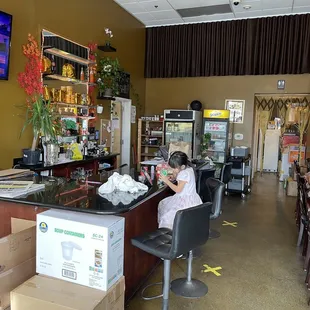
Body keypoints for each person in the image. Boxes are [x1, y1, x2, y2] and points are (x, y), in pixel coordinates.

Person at [158, 151, 202, 229]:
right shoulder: (189, 169)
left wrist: (166, 181)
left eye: (174, 168)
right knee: (164, 205)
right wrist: (174, 177)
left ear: (182, 167)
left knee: (166, 215)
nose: (173, 170)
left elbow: (178, 190)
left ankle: (168, 233)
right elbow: (182, 181)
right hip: (193, 199)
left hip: (184, 202)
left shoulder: (183, 174)